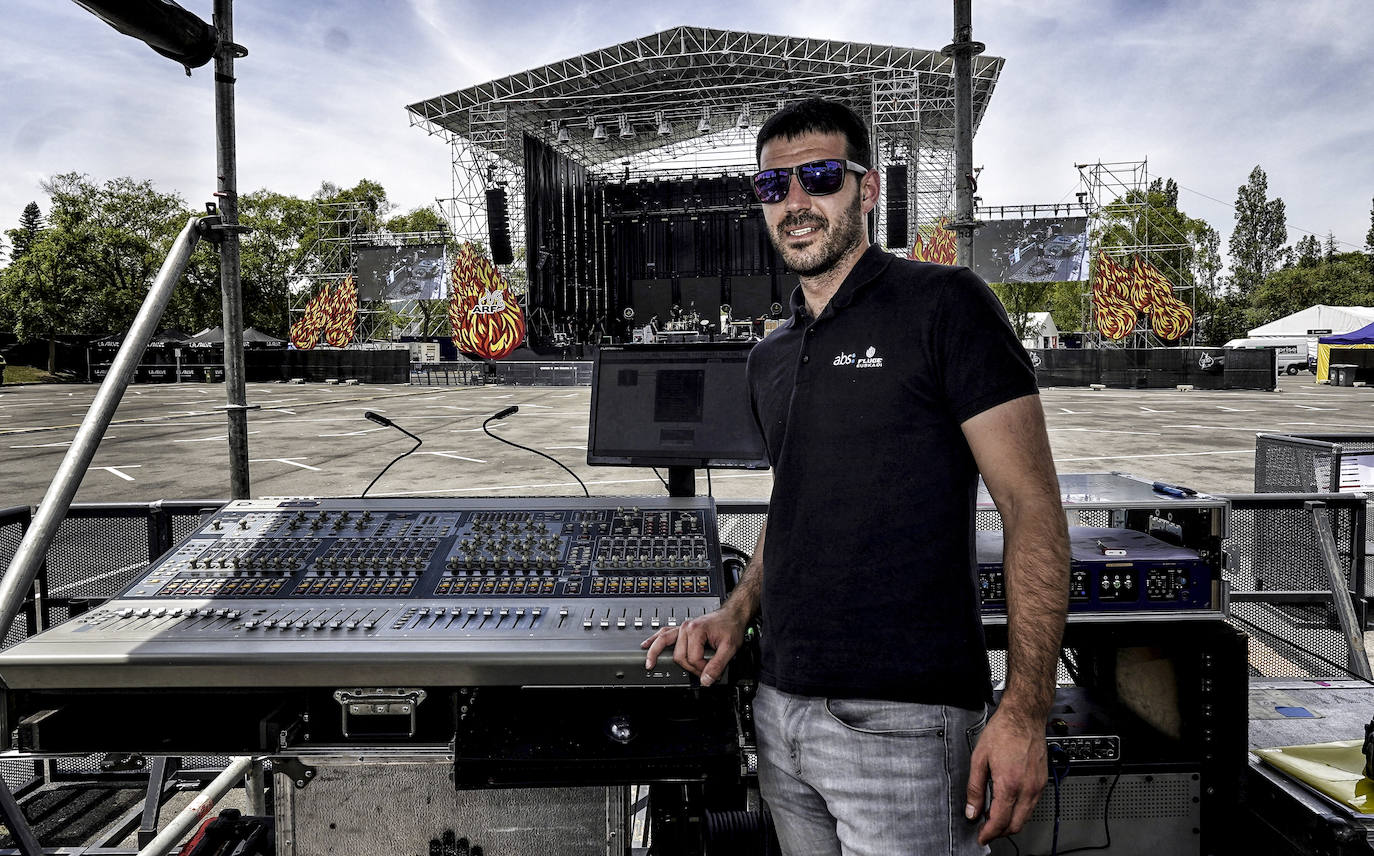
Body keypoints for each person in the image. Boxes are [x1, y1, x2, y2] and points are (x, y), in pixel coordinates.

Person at [643, 98, 1070, 854]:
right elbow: (797, 502)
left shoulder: (945, 306)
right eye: (774, 187)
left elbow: (1031, 509)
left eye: (820, 177)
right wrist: (738, 610)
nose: (796, 202)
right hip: (781, 712)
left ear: (868, 190)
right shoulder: (769, 357)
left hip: (906, 723)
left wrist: (1025, 710)